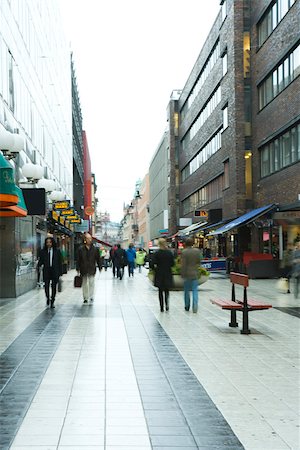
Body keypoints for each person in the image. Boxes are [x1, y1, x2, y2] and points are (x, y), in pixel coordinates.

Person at [77, 232, 102, 304]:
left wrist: (100, 266)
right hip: (83, 268)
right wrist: (77, 268)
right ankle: (85, 297)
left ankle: (91, 296)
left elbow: (98, 258)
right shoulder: (81, 249)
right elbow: (78, 259)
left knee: (91, 282)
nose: (89, 240)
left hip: (91, 268)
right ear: (85, 239)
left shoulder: (95, 249)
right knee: (84, 283)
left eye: (90, 238)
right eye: (88, 238)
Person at [38, 237, 63, 308]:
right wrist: (38, 266)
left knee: (54, 286)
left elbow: (59, 262)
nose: (48, 244)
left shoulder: (57, 251)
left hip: (54, 270)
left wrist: (60, 273)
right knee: (46, 285)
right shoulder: (43, 251)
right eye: (47, 242)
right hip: (46, 270)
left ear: (52, 243)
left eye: (50, 242)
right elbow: (41, 261)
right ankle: (47, 298)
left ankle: (53, 300)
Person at [151, 238, 174, 312]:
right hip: (167, 272)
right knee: (167, 290)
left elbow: (152, 263)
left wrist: (155, 269)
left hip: (159, 273)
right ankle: (167, 304)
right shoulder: (169, 253)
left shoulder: (157, 253)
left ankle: (161, 307)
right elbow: (172, 263)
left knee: (160, 290)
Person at [181, 237, 201, 313]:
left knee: (186, 291)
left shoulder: (184, 252)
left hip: (186, 273)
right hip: (194, 273)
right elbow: (198, 261)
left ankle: (187, 305)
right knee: (195, 290)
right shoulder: (197, 251)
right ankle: (195, 306)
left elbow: (183, 264)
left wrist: (182, 273)